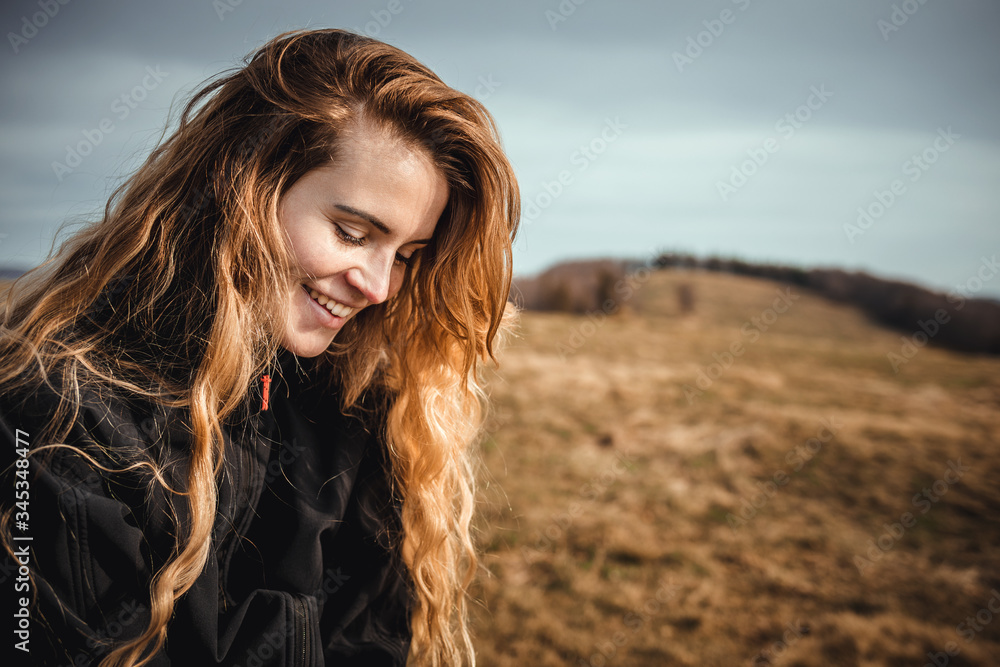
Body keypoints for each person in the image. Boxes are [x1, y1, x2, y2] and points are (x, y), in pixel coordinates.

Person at [0, 28, 519, 666]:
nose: (379, 287)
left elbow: (372, 641)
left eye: (407, 256)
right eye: (352, 233)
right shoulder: (56, 412)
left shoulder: (355, 409)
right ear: (244, 187)